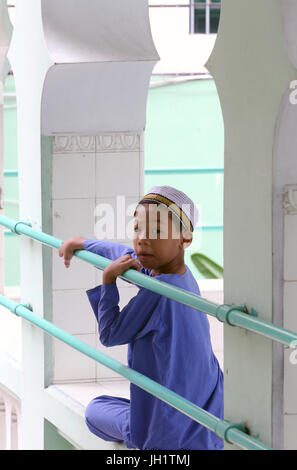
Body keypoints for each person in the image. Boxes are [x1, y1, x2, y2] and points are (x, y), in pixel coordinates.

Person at [59, 185, 224, 450]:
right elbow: (127, 257)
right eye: (138, 228)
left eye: (157, 231)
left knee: (95, 409)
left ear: (185, 239)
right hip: (208, 416)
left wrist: (109, 280)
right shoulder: (182, 277)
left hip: (166, 435)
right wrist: (85, 244)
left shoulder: (157, 293)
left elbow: (110, 334)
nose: (143, 239)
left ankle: (141, 424)